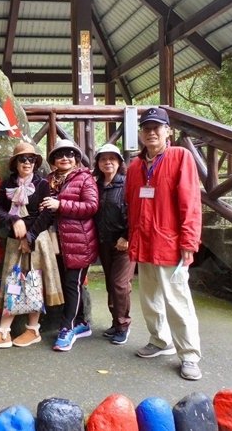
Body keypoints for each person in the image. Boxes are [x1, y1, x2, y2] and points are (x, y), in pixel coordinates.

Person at [126, 107, 203, 380]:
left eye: (157, 127)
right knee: (149, 298)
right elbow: (131, 206)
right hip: (143, 243)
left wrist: (189, 242)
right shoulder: (135, 166)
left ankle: (190, 355)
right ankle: (160, 340)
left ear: (167, 131)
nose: (151, 132)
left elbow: (191, 203)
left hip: (170, 243)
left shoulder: (180, 157)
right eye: (146, 128)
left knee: (177, 301)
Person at [0, 142, 63, 350]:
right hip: (14, 242)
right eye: (23, 159)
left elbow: (47, 214)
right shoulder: (8, 184)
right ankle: (4, 332)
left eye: (31, 159)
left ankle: (33, 329)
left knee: (34, 282)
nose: (27, 163)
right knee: (13, 283)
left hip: (36, 241)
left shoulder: (43, 184)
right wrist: (13, 219)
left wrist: (30, 236)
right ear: (15, 163)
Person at [40, 139, 99, 351]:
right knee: (69, 284)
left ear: (76, 159)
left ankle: (67, 328)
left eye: (70, 154)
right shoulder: (49, 180)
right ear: (53, 160)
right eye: (60, 154)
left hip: (79, 241)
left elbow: (91, 206)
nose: (65, 157)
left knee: (72, 284)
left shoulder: (84, 178)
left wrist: (60, 204)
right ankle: (82, 323)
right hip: (57, 241)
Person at [92, 143, 136, 345]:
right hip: (104, 242)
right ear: (98, 163)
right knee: (111, 283)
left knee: (120, 284)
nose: (107, 162)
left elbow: (136, 213)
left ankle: (123, 324)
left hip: (124, 244)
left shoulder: (127, 184)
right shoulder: (95, 185)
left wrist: (127, 236)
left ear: (119, 162)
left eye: (112, 158)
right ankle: (115, 322)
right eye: (103, 159)